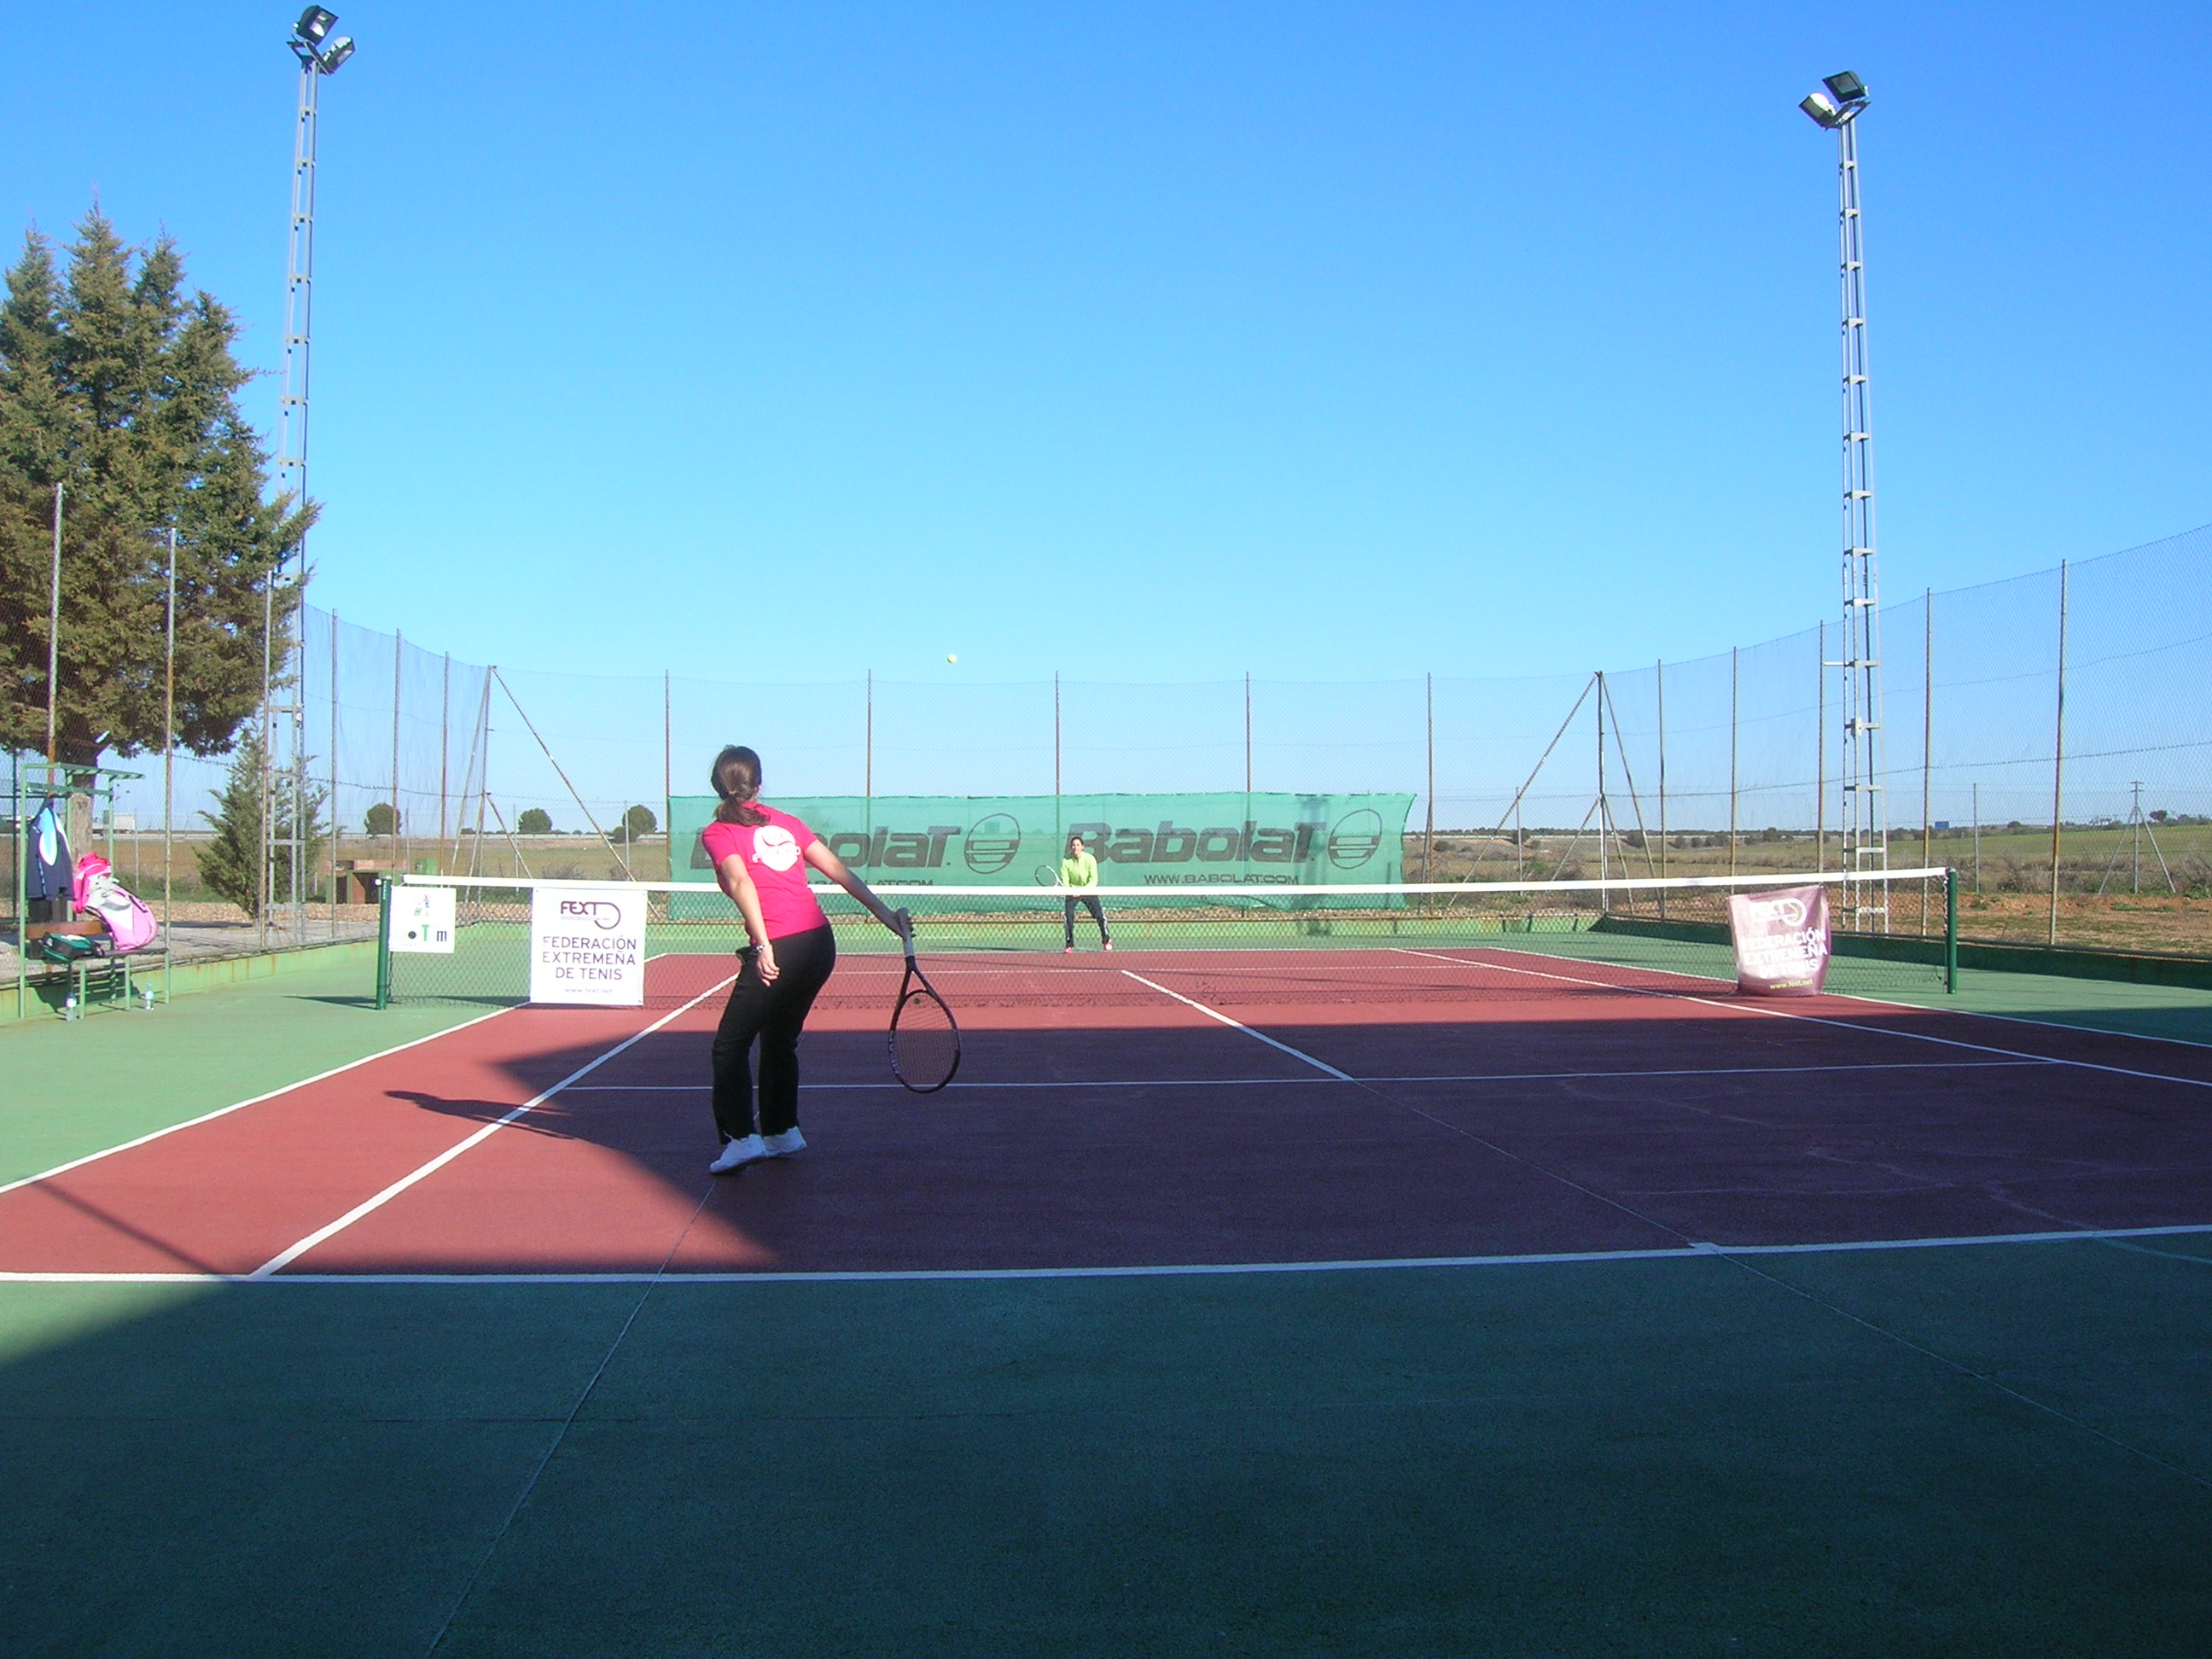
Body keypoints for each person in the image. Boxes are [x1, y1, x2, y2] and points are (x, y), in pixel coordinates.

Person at [700, 744, 909, 1173]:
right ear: (759, 785)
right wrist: (884, 913)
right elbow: (838, 869)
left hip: (782, 944)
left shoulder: (719, 832)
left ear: (717, 785)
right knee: (779, 1038)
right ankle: (781, 1132)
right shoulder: (787, 823)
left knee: (729, 1046)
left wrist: (762, 944)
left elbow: (740, 882)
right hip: (819, 945)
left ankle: (741, 1139)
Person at [1059, 831, 1111, 953]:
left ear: (1082, 847)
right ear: (1071, 847)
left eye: (1078, 845)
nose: (1075, 847)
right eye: (1073, 845)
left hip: (1088, 891)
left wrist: (1082, 891)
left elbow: (1094, 880)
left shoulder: (1090, 859)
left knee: (1099, 916)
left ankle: (1106, 940)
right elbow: (1065, 879)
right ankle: (1069, 944)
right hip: (1072, 892)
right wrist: (1071, 891)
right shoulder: (1066, 861)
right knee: (1068, 917)